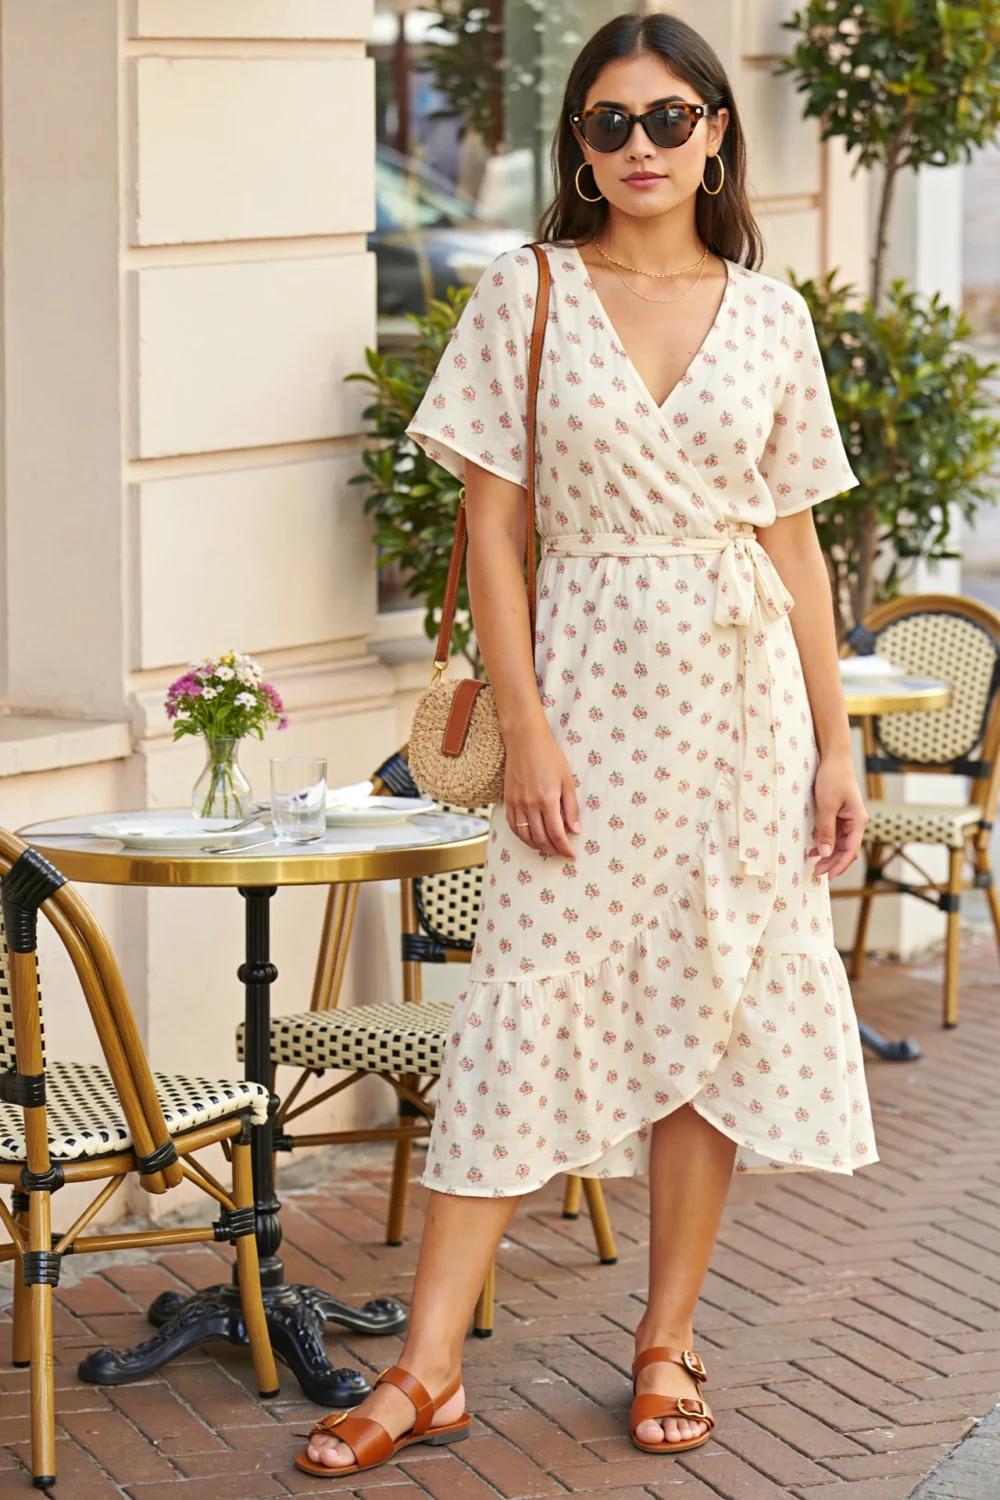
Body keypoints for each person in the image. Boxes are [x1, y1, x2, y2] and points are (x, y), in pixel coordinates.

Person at [295, 9, 877, 1480]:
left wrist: (835, 745)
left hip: (743, 710)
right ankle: (428, 1370)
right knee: (512, 1019)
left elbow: (796, 547)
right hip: (590, 703)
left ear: (715, 132)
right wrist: (532, 725)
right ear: (577, 144)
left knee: (709, 1011)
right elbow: (491, 531)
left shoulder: (772, 314)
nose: (636, 147)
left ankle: (667, 1340)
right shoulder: (525, 292)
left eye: (665, 119)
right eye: (607, 123)